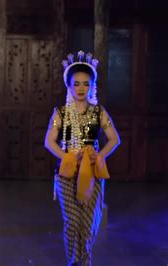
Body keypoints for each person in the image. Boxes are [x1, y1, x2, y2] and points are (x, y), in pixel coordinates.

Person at [44, 51, 121, 266]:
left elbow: (114, 139)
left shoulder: (99, 112)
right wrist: (67, 156)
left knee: (88, 224)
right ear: (68, 85)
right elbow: (49, 142)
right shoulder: (60, 113)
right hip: (67, 174)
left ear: (92, 86)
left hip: (92, 174)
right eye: (76, 83)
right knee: (72, 222)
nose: (80, 88)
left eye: (86, 84)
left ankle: (85, 262)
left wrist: (100, 155)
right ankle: (73, 262)